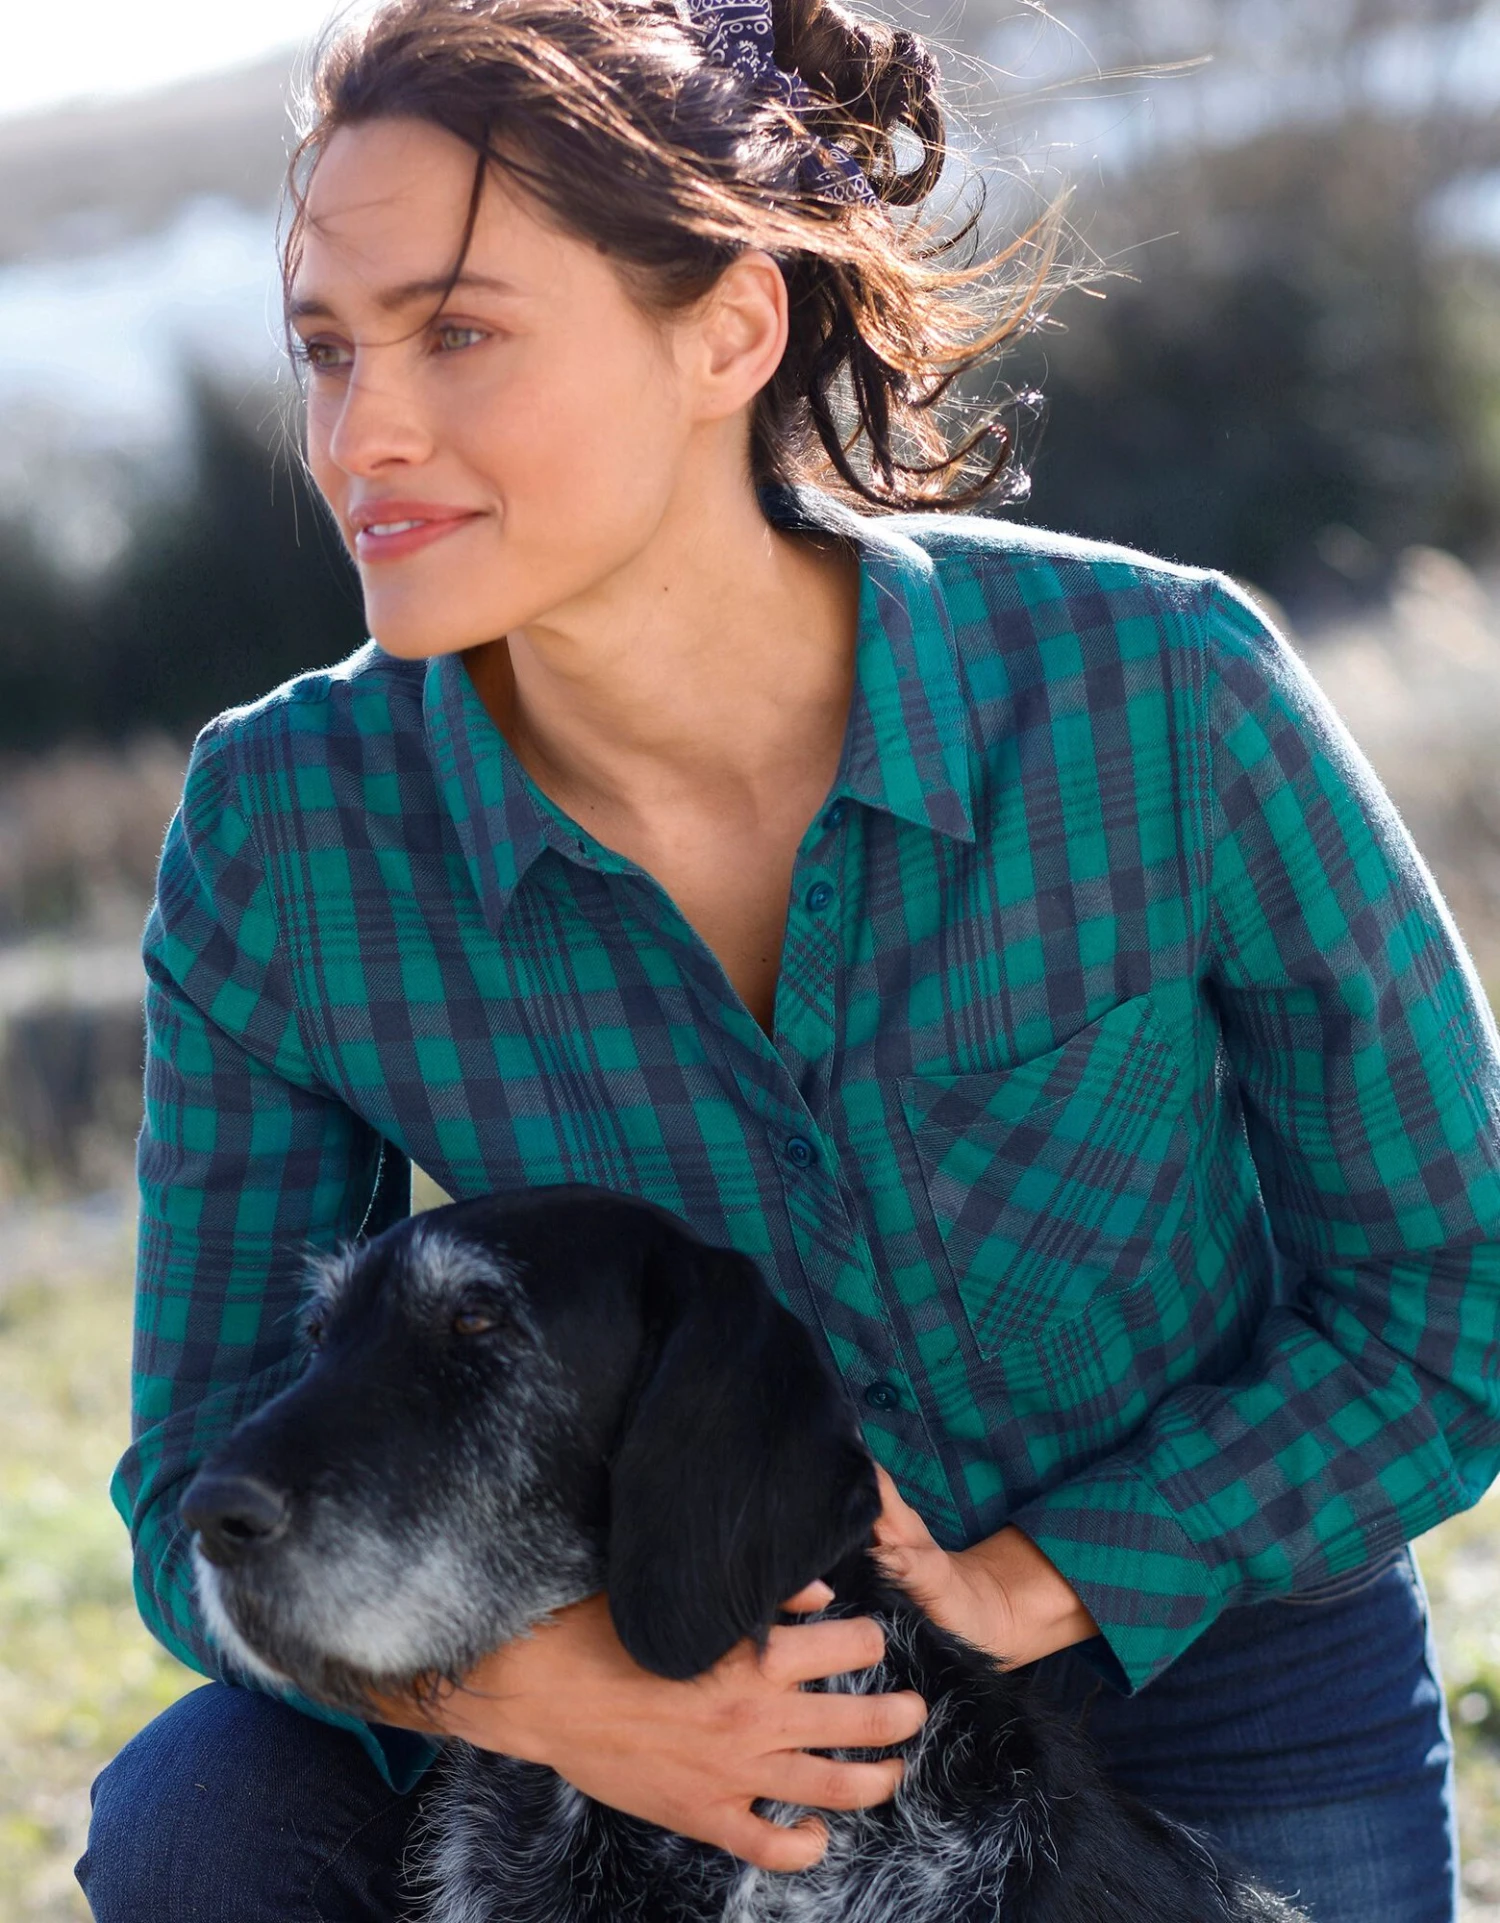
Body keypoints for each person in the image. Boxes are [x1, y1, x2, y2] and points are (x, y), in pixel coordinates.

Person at [77, 0, 1500, 1917]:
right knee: (200, 1817)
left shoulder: (1160, 692)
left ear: (730, 330)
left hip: (1199, 1648)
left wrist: (1051, 1575)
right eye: (327, 349)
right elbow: (197, 1470)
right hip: (634, 1667)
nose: (361, 435)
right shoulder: (283, 832)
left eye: (458, 332)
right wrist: (554, 1695)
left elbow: (1455, 1283)